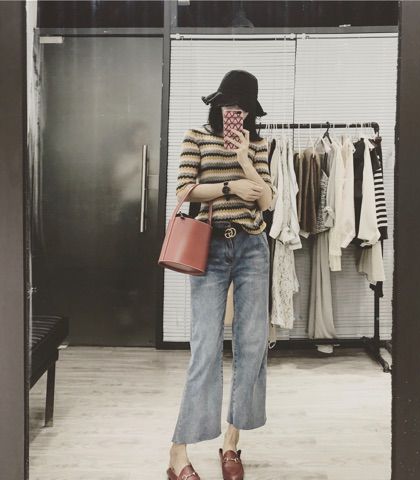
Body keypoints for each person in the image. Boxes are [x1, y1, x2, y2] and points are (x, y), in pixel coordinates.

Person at [167, 70, 275, 480]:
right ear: (218, 103)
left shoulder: (258, 144)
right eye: (231, 104)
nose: (236, 113)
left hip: (252, 247)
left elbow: (267, 202)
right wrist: (230, 186)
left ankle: (231, 443)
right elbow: (184, 190)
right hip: (209, 246)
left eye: (243, 108)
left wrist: (246, 160)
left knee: (252, 345)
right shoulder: (196, 137)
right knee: (205, 348)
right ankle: (178, 453)